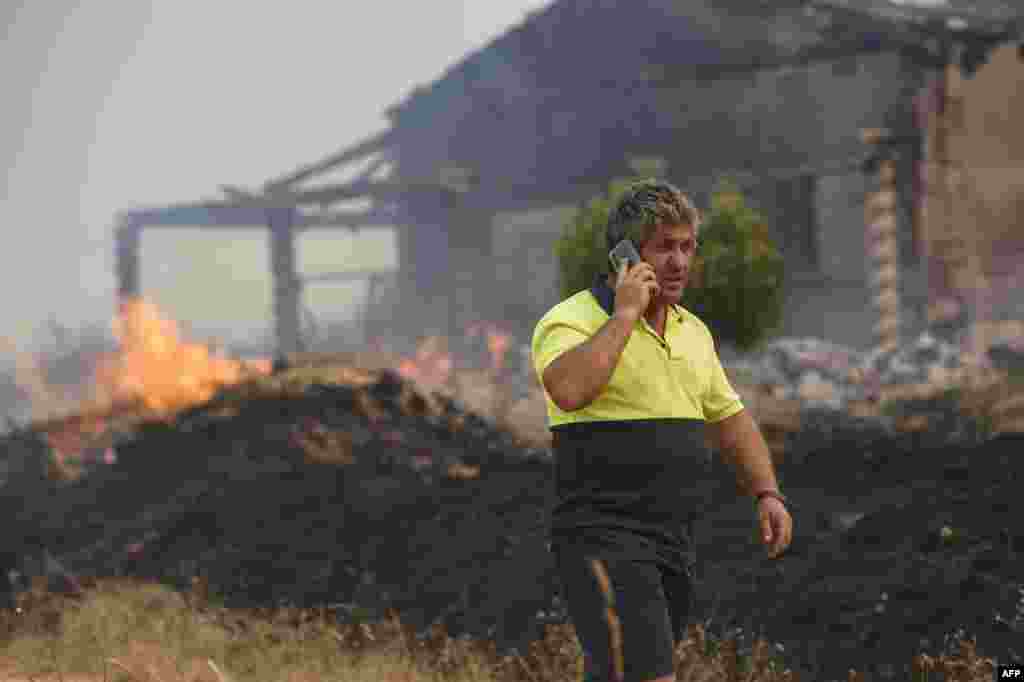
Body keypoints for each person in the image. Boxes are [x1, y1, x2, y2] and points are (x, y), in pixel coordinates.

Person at [531, 180, 792, 682]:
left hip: (672, 542)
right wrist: (626, 314)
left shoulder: (692, 331)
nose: (679, 262)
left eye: (687, 245)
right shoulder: (569, 322)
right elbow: (568, 390)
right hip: (601, 537)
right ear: (626, 257)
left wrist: (767, 493)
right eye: (664, 247)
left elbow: (731, 418)